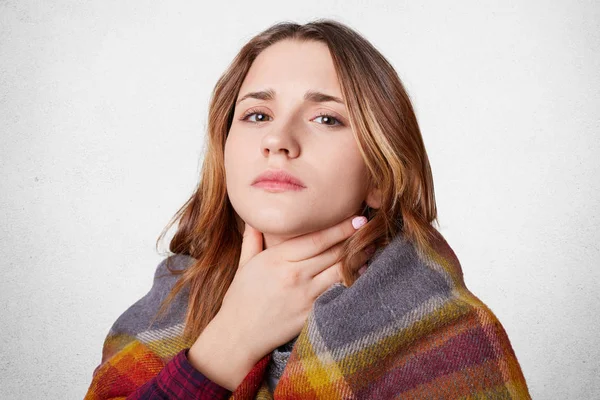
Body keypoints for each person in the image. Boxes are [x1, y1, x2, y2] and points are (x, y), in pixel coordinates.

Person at [84, 19, 531, 399]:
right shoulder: (167, 305)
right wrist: (229, 341)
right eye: (258, 115)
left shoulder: (442, 333)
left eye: (327, 119)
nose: (278, 139)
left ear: (378, 174)